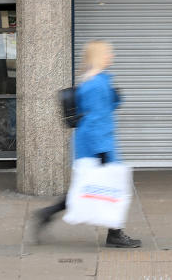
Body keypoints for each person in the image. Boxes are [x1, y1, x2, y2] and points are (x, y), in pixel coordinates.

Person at [33, 40, 141, 248]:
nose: (112, 55)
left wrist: (115, 96)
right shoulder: (96, 84)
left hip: (94, 142)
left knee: (86, 188)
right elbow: (95, 120)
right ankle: (115, 235)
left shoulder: (96, 80)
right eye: (108, 53)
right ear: (99, 56)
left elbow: (102, 109)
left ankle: (45, 215)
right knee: (113, 187)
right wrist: (102, 152)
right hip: (97, 144)